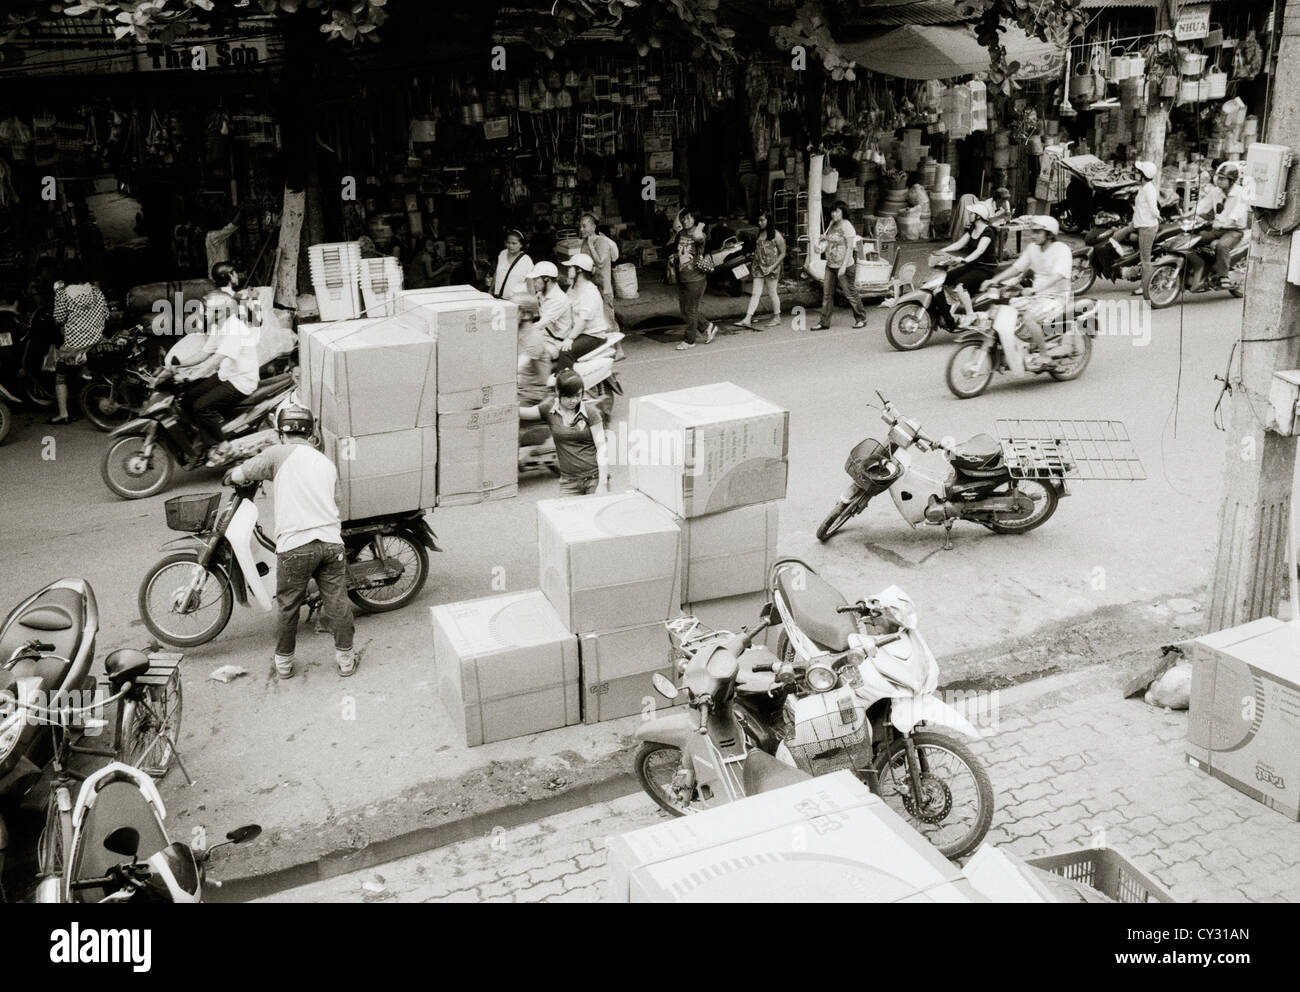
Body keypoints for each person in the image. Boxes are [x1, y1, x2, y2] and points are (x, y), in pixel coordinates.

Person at [225, 406, 356, 679]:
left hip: (295, 546)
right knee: (337, 602)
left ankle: (284, 664)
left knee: (288, 605)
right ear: (311, 432)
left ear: (280, 433)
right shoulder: (325, 462)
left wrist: (229, 476)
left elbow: (242, 474)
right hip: (331, 543)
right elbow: (338, 502)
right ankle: (346, 659)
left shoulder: (276, 454)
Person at [173, 262, 260, 460]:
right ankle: (203, 435)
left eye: (209, 311)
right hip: (226, 373)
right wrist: (178, 366)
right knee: (186, 399)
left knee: (201, 407)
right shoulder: (220, 324)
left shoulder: (233, 327)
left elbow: (215, 359)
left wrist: (193, 375)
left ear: (221, 311)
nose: (204, 314)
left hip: (241, 380)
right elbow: (205, 353)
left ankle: (222, 446)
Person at [981, 215, 1072, 370]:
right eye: (1033, 232)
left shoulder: (1062, 250)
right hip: (1035, 296)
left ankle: (1045, 356)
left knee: (1029, 317)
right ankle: (1015, 348)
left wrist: (1036, 289)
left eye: (1037, 232)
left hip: (1055, 297)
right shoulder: (1033, 248)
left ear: (1049, 234)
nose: (1033, 235)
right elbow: (1017, 268)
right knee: (1002, 310)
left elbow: (1058, 276)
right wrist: (995, 280)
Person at [520, 368, 610, 496]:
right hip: (569, 483)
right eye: (568, 396)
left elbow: (602, 448)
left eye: (578, 395)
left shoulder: (591, 413)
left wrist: (602, 484)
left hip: (594, 480)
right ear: (558, 392)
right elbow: (522, 413)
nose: (574, 400)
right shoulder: (549, 408)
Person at [47, 260, 108, 425]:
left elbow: (58, 319)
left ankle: (63, 413)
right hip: (96, 340)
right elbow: (106, 314)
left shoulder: (63, 293)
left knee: (60, 375)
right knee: (98, 371)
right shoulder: (96, 292)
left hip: (74, 345)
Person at [1185, 162, 1251, 290]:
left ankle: (1223, 276)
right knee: (1195, 239)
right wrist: (1189, 214)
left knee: (1222, 245)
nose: (1218, 181)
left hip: (1234, 230)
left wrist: (1227, 222)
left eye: (1222, 178)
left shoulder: (1241, 194)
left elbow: (1237, 213)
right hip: (1217, 229)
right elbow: (1203, 205)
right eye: (1218, 178)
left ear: (1231, 180)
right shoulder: (1216, 192)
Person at [933, 201, 998, 317]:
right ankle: (953, 304)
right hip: (973, 265)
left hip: (985, 268)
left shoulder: (988, 232)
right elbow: (959, 244)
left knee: (960, 284)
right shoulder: (973, 228)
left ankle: (970, 314)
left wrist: (965, 260)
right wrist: (942, 251)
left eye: (972, 213)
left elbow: (980, 250)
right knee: (945, 278)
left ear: (978, 216)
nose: (970, 215)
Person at [813, 201, 867, 331]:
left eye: (837, 211)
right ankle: (824, 322)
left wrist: (843, 267)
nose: (834, 214)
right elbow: (827, 242)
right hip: (830, 264)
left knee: (850, 294)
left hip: (845, 266)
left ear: (843, 212)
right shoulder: (831, 224)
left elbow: (849, 248)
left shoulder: (847, 226)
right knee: (827, 295)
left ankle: (861, 318)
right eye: (832, 211)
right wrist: (820, 247)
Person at [671, 208, 717, 351]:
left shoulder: (700, 234)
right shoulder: (681, 234)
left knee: (691, 310)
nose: (685, 221)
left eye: (689, 218)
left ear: (696, 220)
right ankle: (708, 326)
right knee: (684, 310)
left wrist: (700, 224)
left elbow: (698, 237)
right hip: (682, 276)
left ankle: (689, 340)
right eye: (684, 218)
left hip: (696, 278)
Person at [554, 252, 609, 370]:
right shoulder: (573, 287)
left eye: (570, 267)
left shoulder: (589, 291)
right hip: (579, 332)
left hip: (592, 336)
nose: (568, 270)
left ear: (579, 270)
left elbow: (583, 320)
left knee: (565, 352)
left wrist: (570, 338)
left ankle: (566, 385)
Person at [735, 209, 785, 329]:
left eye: (762, 220)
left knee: (772, 293)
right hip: (758, 267)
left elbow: (783, 253)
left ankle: (777, 317)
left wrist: (772, 267)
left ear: (769, 220)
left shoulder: (776, 235)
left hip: (771, 268)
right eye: (759, 220)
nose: (760, 223)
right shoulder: (759, 233)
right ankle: (747, 319)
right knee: (755, 293)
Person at [579, 212, 619, 333]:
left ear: (593, 227)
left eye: (584, 226)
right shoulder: (584, 242)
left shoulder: (601, 241)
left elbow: (600, 263)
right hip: (590, 286)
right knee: (595, 320)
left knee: (608, 319)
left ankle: (618, 348)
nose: (581, 229)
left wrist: (591, 246)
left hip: (603, 286)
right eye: (580, 226)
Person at [492, 228, 533, 305]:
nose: (510, 246)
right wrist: (491, 290)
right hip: (499, 298)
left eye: (514, 243)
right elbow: (497, 273)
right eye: (508, 242)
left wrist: (531, 303)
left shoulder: (526, 260)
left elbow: (530, 284)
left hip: (516, 302)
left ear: (521, 245)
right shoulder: (502, 254)